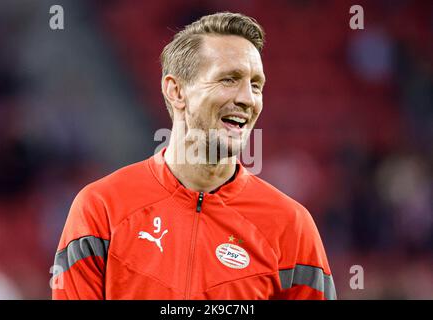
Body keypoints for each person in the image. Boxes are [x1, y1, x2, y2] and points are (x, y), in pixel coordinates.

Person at [52, 12, 336, 300]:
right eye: (229, 79)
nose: (247, 99)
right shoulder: (101, 210)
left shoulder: (291, 226)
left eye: (256, 85)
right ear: (176, 91)